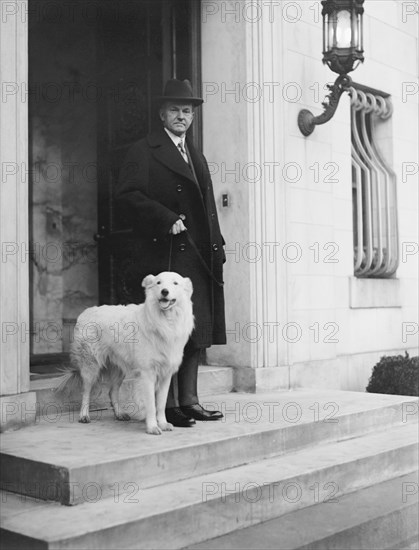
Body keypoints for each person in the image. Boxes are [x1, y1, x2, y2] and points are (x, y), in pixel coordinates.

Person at [115, 79, 226, 427]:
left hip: (196, 255)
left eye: (188, 111)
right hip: (164, 254)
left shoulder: (195, 153)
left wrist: (217, 246)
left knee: (193, 329)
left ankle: (190, 400)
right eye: (176, 110)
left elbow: (208, 206)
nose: (182, 116)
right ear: (162, 113)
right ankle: (169, 406)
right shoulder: (143, 150)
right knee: (163, 333)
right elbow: (127, 196)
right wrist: (164, 218)